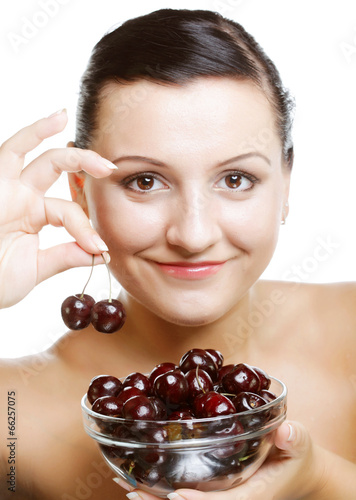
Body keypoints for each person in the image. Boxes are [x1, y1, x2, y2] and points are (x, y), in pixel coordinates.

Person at [0, 8, 355, 500]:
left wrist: (320, 481)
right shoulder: (15, 410)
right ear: (80, 193)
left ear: (286, 184)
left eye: (236, 179)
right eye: (144, 181)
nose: (193, 234)